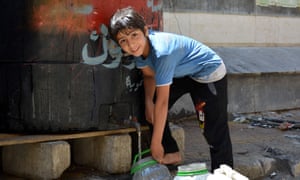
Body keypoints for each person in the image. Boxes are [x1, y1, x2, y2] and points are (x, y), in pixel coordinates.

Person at [109, 7, 233, 171]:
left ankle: (223, 172)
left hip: (208, 72)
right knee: (151, 107)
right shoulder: (140, 51)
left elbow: (162, 102)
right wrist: (148, 103)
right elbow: (148, 76)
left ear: (145, 31)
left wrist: (155, 143)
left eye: (134, 35)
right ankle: (172, 152)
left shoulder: (162, 52)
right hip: (184, 73)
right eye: (123, 41)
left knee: (213, 129)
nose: (131, 44)